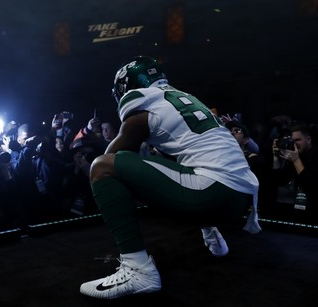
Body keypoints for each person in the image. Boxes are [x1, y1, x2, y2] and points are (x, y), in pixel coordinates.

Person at [79, 56, 261, 299]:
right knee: (186, 165)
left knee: (101, 167)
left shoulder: (143, 108)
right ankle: (213, 235)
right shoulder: (186, 100)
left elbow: (110, 159)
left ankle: (138, 270)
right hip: (243, 198)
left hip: (212, 194)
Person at [271, 122, 318, 222]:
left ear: (308, 139)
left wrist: (296, 160)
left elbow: (311, 186)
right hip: (296, 211)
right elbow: (279, 181)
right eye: (292, 141)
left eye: (298, 140)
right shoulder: (295, 155)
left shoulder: (315, 155)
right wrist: (275, 157)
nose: (294, 144)